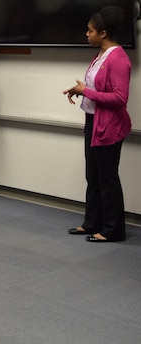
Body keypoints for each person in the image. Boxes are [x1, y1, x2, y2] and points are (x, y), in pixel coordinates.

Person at [62, 6, 131, 243]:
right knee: (92, 176)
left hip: (109, 126)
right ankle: (92, 223)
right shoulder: (100, 55)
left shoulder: (119, 58)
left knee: (107, 179)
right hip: (94, 122)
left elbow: (120, 99)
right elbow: (97, 89)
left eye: (90, 31)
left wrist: (87, 91)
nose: (86, 34)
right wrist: (81, 91)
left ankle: (113, 230)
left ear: (102, 33)